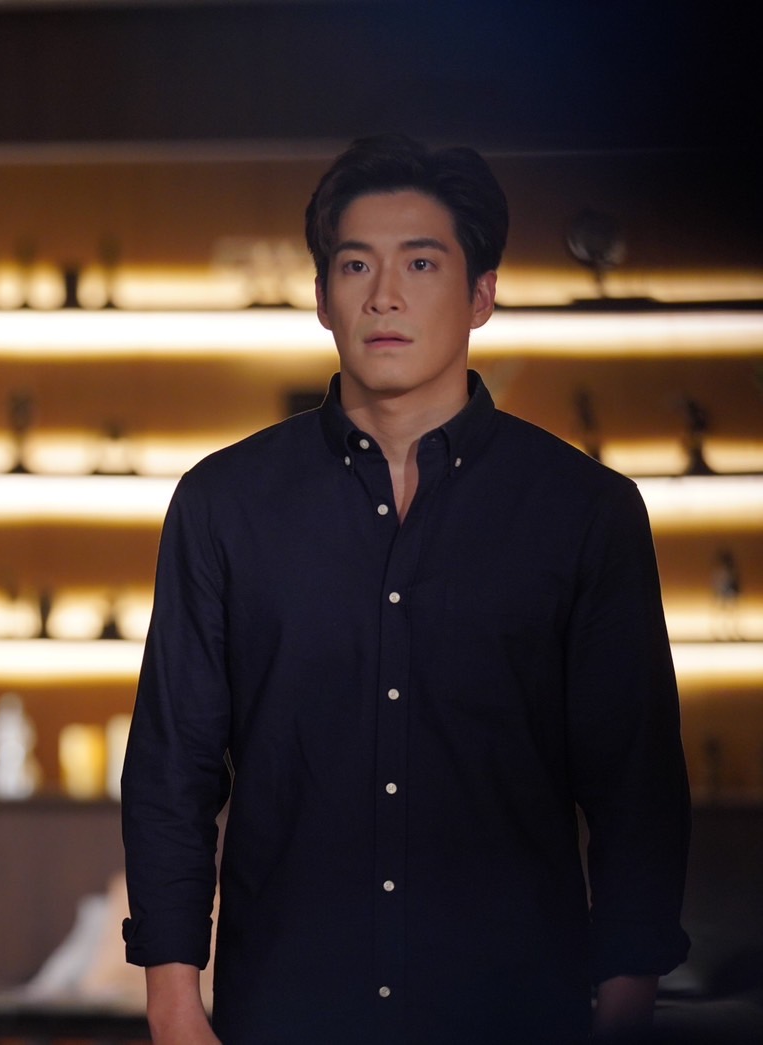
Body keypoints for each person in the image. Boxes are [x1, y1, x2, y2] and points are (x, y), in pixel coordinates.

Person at [120, 134, 690, 1045]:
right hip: (287, 1012)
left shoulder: (585, 511)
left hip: (513, 1012)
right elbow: (169, 771)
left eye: (420, 263)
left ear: (481, 293)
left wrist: (623, 1009)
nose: (383, 295)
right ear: (321, 296)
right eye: (355, 264)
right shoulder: (222, 504)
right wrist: (173, 1004)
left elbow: (636, 788)